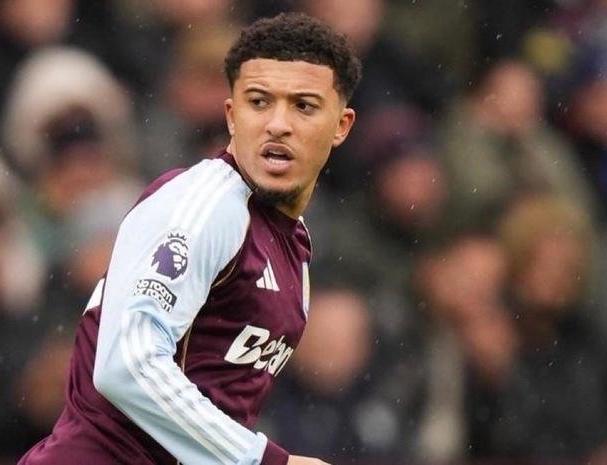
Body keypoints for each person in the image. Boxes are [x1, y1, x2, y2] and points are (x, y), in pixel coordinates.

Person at [18, 12, 360, 465]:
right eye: (259, 102)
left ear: (341, 126)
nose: (278, 123)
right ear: (232, 115)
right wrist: (266, 461)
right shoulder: (204, 206)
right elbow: (126, 365)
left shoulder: (292, 242)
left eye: (303, 106)